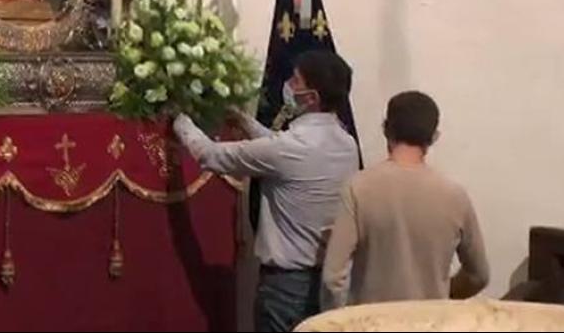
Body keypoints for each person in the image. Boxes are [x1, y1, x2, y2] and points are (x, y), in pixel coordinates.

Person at [173, 50, 360, 333]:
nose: (288, 85)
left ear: (312, 98)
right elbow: (280, 147)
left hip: (284, 290)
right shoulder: (347, 144)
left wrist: (180, 120)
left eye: (296, 81)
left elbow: (210, 155)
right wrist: (244, 121)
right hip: (327, 282)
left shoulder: (287, 149)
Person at [321, 90, 489, 309]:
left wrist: (340, 320)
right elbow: (479, 275)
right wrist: (444, 293)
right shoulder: (455, 195)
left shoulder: (358, 188)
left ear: (385, 129)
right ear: (434, 137)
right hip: (429, 321)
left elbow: (332, 278)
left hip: (372, 323)